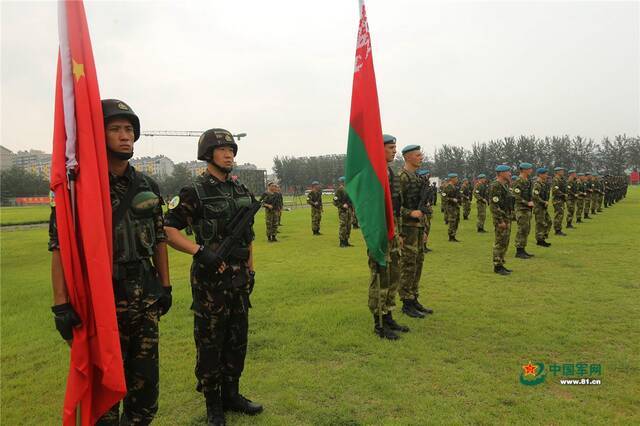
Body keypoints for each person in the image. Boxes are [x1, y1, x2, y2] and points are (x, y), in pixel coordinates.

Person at [49, 99, 171, 425]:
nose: (124, 136)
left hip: (144, 298)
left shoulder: (147, 186)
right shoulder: (81, 188)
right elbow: (60, 246)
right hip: (102, 302)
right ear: (97, 135)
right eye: (115, 129)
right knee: (105, 394)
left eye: (129, 129)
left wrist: (165, 285)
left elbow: (159, 239)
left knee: (145, 389)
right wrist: (61, 304)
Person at [164, 128, 263, 426]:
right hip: (210, 282)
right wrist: (198, 252)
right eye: (222, 149)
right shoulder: (194, 191)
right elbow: (167, 229)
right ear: (208, 154)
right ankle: (213, 404)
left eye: (232, 149)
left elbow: (248, 235)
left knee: (237, 339)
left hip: (238, 279)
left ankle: (232, 394)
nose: (229, 153)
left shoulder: (240, 189)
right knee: (210, 342)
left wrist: (251, 268)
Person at [368, 134, 410, 339]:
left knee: (394, 275)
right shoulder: (373, 173)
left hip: (392, 232)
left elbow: (395, 206)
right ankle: (379, 323)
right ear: (379, 149)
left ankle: (389, 315)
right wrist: (377, 235)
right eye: (391, 147)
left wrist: (399, 232)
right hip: (379, 233)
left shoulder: (390, 172)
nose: (394, 151)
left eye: (395, 147)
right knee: (380, 277)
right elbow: (368, 207)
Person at [398, 145, 431, 319]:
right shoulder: (401, 178)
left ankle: (414, 297)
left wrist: (424, 228)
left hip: (417, 228)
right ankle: (406, 302)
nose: (421, 157)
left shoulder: (417, 178)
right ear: (408, 157)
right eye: (418, 155)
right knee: (408, 264)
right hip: (406, 228)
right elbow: (395, 207)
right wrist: (410, 213)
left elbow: (422, 206)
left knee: (418, 262)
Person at [489, 165, 514, 275]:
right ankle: (497, 266)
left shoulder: (505, 185)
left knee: (505, 241)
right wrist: (500, 221)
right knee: (500, 242)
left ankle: (501, 263)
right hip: (501, 219)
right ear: (501, 173)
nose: (509, 173)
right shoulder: (495, 186)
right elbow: (494, 205)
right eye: (507, 172)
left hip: (506, 217)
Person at [512, 162, 535, 259]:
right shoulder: (518, 181)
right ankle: (519, 251)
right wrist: (527, 203)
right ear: (524, 170)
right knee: (522, 229)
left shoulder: (528, 181)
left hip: (527, 209)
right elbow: (516, 196)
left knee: (526, 229)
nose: (531, 170)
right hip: (521, 209)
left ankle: (523, 249)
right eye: (530, 169)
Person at [532, 167, 552, 247]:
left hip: (543, 207)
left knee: (549, 221)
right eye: (545, 174)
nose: (547, 175)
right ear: (540, 175)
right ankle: (540, 240)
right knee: (540, 224)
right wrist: (544, 202)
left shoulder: (543, 183)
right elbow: (535, 196)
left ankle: (543, 236)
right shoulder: (537, 184)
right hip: (539, 207)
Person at [333, 176, 353, 247]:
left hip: (349, 210)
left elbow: (351, 200)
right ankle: (342, 242)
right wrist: (342, 205)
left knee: (348, 226)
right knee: (343, 226)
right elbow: (335, 201)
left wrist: (349, 204)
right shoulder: (339, 190)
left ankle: (346, 241)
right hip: (342, 211)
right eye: (343, 182)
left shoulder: (348, 189)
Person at [441, 173, 461, 242]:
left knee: (456, 221)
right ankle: (451, 236)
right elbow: (443, 197)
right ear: (452, 179)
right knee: (452, 221)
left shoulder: (454, 186)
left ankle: (453, 235)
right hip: (450, 207)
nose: (457, 180)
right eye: (456, 178)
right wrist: (452, 199)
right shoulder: (447, 187)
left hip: (456, 206)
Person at [551, 167, 567, 236]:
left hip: (560, 199)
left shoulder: (560, 179)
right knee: (558, 215)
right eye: (561, 171)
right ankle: (557, 230)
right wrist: (563, 194)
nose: (563, 172)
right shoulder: (556, 180)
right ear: (557, 172)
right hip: (557, 200)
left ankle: (558, 229)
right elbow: (555, 190)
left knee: (560, 215)